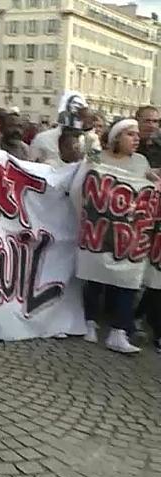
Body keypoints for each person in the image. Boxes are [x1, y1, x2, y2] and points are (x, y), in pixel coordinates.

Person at [72, 119, 146, 354]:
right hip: (100, 228)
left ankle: (119, 331)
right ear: (116, 138)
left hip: (129, 232)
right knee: (94, 278)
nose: (136, 139)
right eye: (130, 134)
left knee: (129, 280)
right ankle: (89, 321)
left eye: (137, 135)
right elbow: (83, 180)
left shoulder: (141, 162)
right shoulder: (97, 158)